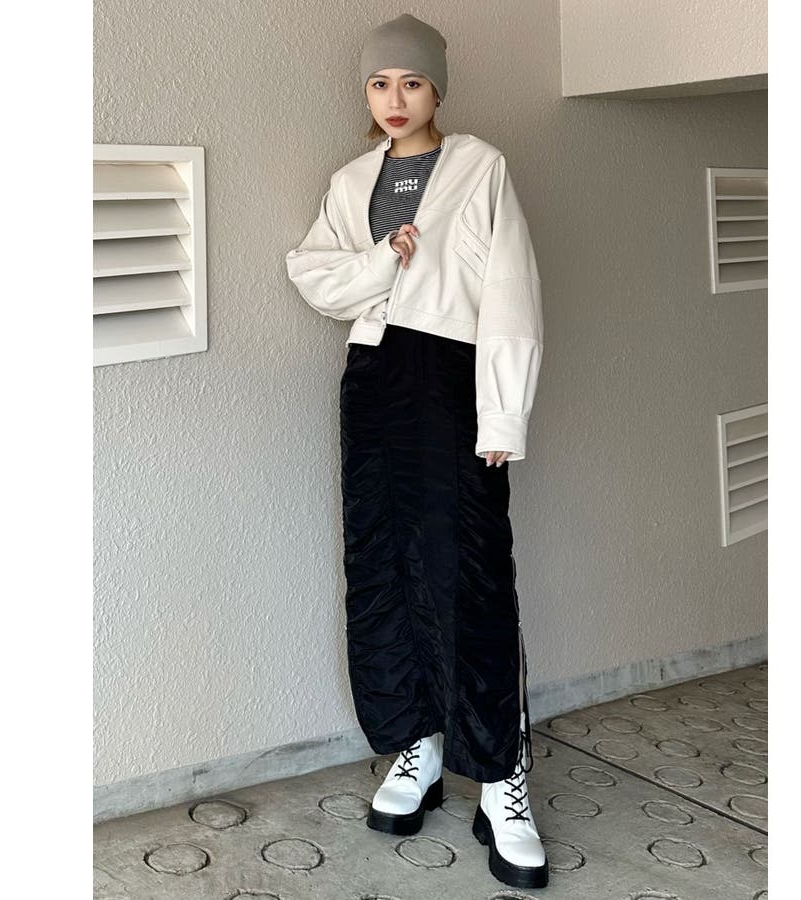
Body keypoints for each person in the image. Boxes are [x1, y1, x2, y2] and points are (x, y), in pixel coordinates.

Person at [285, 13, 546, 890]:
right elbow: (314, 273)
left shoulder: (480, 167)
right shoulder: (351, 180)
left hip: (451, 380)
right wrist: (380, 262)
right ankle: (417, 745)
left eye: (411, 82)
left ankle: (502, 776)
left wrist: (501, 415)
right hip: (372, 380)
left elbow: (511, 291)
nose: (394, 99)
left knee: (471, 573)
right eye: (379, 83)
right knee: (383, 565)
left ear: (438, 88)